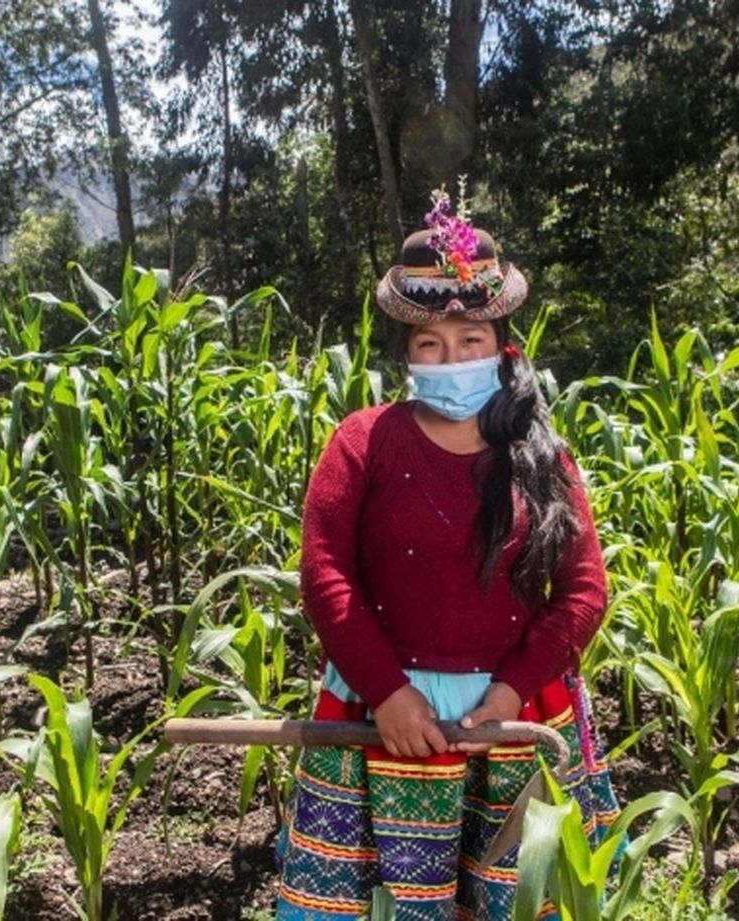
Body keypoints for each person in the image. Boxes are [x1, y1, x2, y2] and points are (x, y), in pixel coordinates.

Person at [275, 193, 622, 920]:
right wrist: (391, 693)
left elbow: (585, 591)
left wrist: (508, 693)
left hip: (517, 715)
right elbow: (324, 572)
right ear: (407, 353)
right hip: (386, 714)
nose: (451, 358)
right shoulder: (362, 442)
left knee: (514, 902)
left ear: (502, 346)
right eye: (430, 344)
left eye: (471, 339)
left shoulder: (544, 455)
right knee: (384, 906)